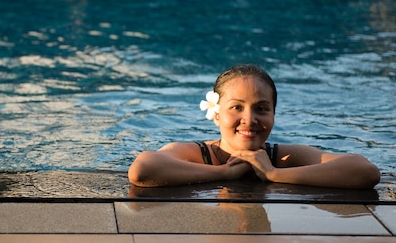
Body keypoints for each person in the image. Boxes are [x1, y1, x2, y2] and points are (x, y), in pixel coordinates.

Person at [128, 64, 380, 189]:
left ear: (273, 115)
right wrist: (223, 174)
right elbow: (142, 169)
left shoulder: (282, 157)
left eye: (262, 109)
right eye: (236, 107)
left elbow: (364, 170)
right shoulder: (199, 155)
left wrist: (275, 174)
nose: (250, 119)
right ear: (216, 114)